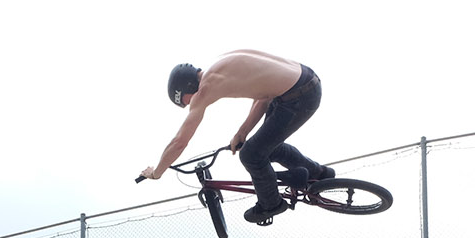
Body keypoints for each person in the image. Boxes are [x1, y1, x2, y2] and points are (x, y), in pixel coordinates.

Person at [141, 51, 335, 225]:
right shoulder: (222, 64)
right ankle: (318, 174)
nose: (191, 104)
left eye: (185, 100)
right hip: (302, 83)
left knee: (251, 155)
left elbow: (179, 142)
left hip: (299, 96)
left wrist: (157, 172)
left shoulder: (207, 86)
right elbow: (264, 96)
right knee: (266, 147)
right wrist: (242, 133)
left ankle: (271, 204)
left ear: (188, 86)